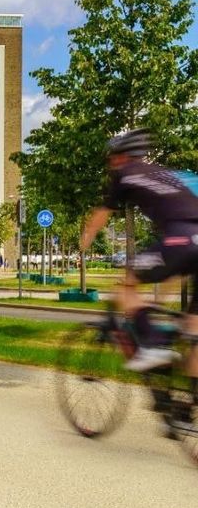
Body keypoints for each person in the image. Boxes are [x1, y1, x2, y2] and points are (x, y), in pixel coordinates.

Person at [80, 129, 198, 372]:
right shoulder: (166, 174)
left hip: (181, 239)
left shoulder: (124, 174)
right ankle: (184, 407)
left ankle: (153, 346)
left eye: (113, 157)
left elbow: (103, 211)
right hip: (191, 243)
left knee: (125, 287)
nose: (111, 162)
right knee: (193, 328)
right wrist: (160, 297)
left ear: (123, 156)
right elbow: (179, 266)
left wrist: (84, 242)